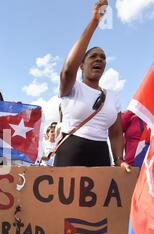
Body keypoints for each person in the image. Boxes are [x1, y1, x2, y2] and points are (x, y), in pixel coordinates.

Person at [56, 0, 130, 171]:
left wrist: (119, 159)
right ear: (81, 65)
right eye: (93, 56)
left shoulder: (113, 96)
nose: (99, 59)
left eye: (103, 57)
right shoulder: (72, 87)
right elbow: (67, 69)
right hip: (70, 152)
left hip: (100, 155)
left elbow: (116, 133)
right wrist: (95, 22)